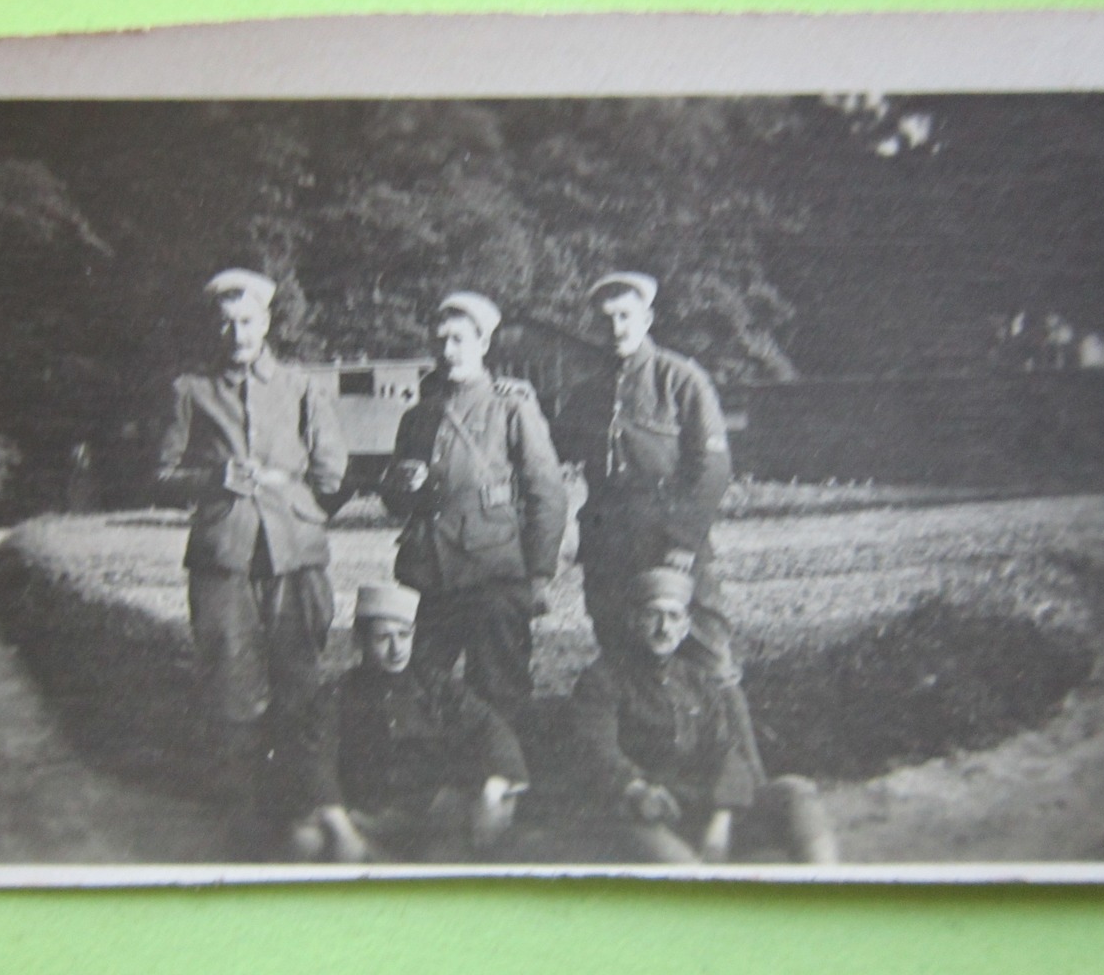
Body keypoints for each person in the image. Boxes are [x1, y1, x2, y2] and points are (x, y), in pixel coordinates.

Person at [155, 267, 348, 816]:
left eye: (247, 322)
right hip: (224, 553)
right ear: (214, 329)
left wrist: (295, 502)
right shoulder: (191, 392)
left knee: (300, 673)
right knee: (228, 675)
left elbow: (333, 473)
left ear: (266, 323)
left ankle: (306, 799)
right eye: (226, 324)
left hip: (295, 554)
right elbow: (159, 473)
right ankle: (241, 807)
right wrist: (211, 480)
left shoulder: (302, 386)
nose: (237, 335)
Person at [380, 292, 568, 723]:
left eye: (460, 340)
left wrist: (538, 574)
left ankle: (504, 779)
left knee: (500, 690)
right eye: (441, 340)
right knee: (420, 689)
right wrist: (401, 485)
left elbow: (547, 493)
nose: (448, 352)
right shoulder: (418, 417)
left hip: (493, 575)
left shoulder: (511, 406)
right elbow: (393, 501)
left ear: (483, 344)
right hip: (428, 576)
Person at [569, 568, 837, 864]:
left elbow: (727, 751)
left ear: (685, 627)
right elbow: (597, 750)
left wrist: (721, 818)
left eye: (673, 617)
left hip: (701, 806)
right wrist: (635, 788)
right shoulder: (603, 679)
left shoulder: (696, 679)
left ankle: (826, 890)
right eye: (652, 615)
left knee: (795, 792)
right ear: (633, 621)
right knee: (684, 871)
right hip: (638, 810)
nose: (663, 628)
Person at [553, 271, 735, 661]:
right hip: (609, 547)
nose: (616, 328)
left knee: (704, 650)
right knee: (620, 652)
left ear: (647, 320)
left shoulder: (681, 379)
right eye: (607, 319)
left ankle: (725, 722)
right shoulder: (589, 392)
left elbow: (714, 469)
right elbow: (552, 444)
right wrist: (513, 395)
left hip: (668, 541)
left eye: (625, 316)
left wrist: (684, 541)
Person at [290, 584, 531, 862]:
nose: (396, 649)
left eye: (404, 635)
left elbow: (491, 729)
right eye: (383, 638)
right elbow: (315, 757)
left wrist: (494, 788)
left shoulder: (438, 687)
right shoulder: (339, 693)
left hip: (430, 816)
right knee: (305, 840)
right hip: (364, 819)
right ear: (359, 641)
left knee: (479, 831)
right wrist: (342, 829)